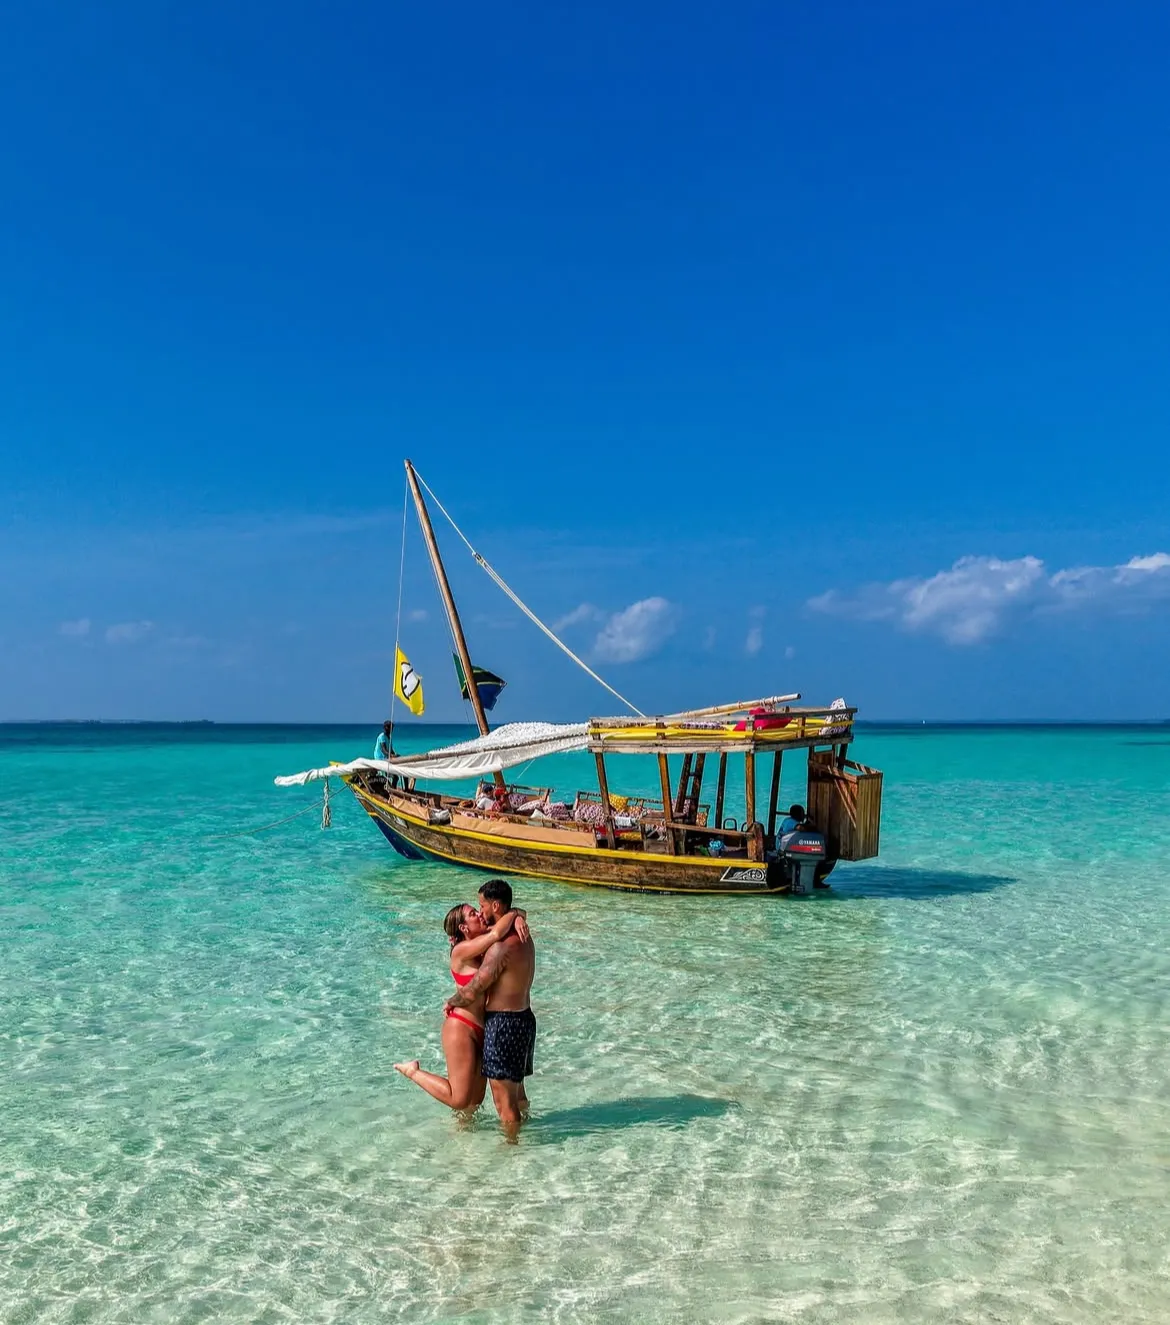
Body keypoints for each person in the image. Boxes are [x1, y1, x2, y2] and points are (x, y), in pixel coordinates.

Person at [393, 902, 529, 1112]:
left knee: (474, 1102)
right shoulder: (461, 950)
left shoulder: (482, 947)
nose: (480, 914)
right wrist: (514, 914)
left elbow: (504, 925)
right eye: (473, 913)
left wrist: (518, 916)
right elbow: (496, 934)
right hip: (461, 1026)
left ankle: (462, 1140)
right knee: (459, 1100)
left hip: (484, 1026)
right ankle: (412, 1071)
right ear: (464, 928)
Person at [445, 878, 536, 1137]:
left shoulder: (500, 947)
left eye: (481, 906)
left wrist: (452, 1001)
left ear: (495, 905)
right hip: (525, 1018)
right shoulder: (522, 936)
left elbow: (475, 988)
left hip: (504, 1025)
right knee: (517, 1093)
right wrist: (517, 915)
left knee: (502, 1102)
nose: (480, 911)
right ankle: (527, 1135)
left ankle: (511, 1151)